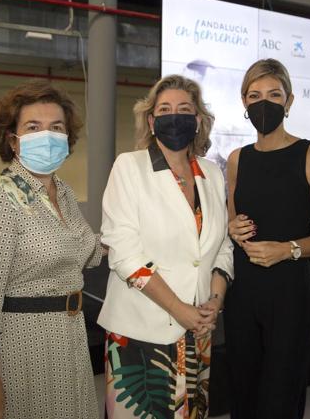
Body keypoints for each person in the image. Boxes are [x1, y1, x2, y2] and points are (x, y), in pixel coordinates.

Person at [0, 80, 103, 419]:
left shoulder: (62, 193)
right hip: (21, 345)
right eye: (33, 127)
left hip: (69, 339)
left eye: (56, 127)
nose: (46, 135)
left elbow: (86, 252)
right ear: (13, 139)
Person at [98, 74, 234, 419]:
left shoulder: (212, 173)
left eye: (184, 109)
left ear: (198, 120)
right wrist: (179, 309)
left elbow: (221, 247)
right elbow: (124, 252)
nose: (175, 116)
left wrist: (214, 302)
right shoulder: (129, 167)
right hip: (140, 334)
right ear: (151, 120)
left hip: (199, 330)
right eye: (165, 109)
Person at [225, 58, 310, 418]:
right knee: (243, 393)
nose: (264, 103)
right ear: (244, 102)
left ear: (289, 102)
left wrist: (288, 249)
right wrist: (232, 229)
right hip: (242, 293)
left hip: (289, 292)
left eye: (274, 94)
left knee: (282, 397)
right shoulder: (236, 159)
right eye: (255, 94)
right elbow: (232, 224)